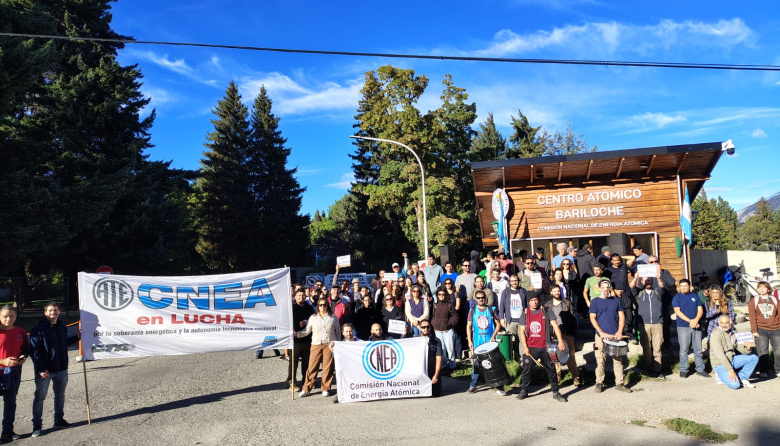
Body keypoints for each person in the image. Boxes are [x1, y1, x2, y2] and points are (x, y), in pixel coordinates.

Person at [29, 302, 76, 438]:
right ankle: (37, 426)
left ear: (59, 312)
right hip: (45, 371)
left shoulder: (62, 326)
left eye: (55, 310)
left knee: (60, 396)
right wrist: (41, 368)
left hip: (61, 369)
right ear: (45, 312)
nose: (53, 313)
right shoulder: (38, 330)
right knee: (39, 398)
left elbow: (63, 343)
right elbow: (34, 351)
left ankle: (59, 420)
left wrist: (77, 338)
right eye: (50, 310)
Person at [517, 295, 568, 402]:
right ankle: (524, 390)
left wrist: (560, 341)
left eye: (536, 300)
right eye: (532, 300)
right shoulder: (525, 313)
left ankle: (555, 392)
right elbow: (521, 331)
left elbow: (555, 326)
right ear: (528, 302)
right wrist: (525, 347)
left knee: (551, 370)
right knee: (527, 370)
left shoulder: (546, 311)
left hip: (546, 346)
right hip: (531, 347)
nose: (534, 302)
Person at [589, 280, 632, 393]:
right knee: (600, 360)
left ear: (610, 288)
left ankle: (619, 383)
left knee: (618, 360)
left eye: (607, 287)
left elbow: (622, 317)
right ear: (599, 289)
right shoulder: (595, 302)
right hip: (600, 336)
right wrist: (601, 332)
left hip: (614, 334)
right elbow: (592, 318)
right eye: (603, 287)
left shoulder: (616, 301)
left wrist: (619, 331)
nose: (605, 289)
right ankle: (599, 383)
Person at [297, 298, 341, 397]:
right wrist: (297, 334)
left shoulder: (333, 317)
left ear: (327, 305)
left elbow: (337, 332)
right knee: (312, 367)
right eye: (320, 305)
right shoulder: (313, 317)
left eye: (324, 304)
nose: (322, 307)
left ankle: (325, 388)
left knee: (328, 367)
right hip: (316, 344)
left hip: (329, 345)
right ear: (318, 306)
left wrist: (337, 345)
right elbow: (307, 331)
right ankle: (306, 388)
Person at [466, 290, 506, 396]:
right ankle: (473, 385)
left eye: (482, 297)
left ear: (485, 298)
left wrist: (494, 335)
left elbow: (498, 324)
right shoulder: (472, 310)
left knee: (494, 363)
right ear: (476, 299)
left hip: (489, 342)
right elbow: (469, 326)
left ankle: (499, 386)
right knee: (476, 364)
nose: (481, 299)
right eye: (478, 298)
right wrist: (469, 340)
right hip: (478, 342)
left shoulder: (491, 309)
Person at [0, 306, 29, 442]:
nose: (8, 319)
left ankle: (7, 432)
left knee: (10, 402)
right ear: (0, 317)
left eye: (11, 316)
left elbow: (24, 350)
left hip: (14, 373)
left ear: (15, 317)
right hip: (1, 372)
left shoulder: (21, 332)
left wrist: (23, 357)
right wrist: (3, 361)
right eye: (5, 316)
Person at [630, 271, 665, 378]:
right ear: (642, 281)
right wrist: (635, 277)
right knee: (646, 347)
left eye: (649, 279)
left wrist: (659, 278)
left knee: (657, 347)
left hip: (657, 323)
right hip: (644, 324)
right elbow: (631, 287)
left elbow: (662, 287)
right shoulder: (639, 293)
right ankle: (648, 368)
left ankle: (657, 370)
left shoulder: (657, 292)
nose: (647, 281)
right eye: (645, 280)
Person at [543, 286, 580, 386]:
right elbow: (545, 321)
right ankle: (557, 376)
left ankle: (575, 377)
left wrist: (573, 334)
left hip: (566, 332)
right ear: (551, 292)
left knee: (570, 355)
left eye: (558, 291)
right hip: (553, 334)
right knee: (555, 356)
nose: (556, 293)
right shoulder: (547, 305)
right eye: (554, 291)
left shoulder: (567, 303)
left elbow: (573, 319)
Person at [710, 315, 758, 389]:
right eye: (721, 323)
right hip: (720, 364)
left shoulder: (733, 334)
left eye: (726, 323)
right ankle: (719, 375)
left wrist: (748, 348)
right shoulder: (715, 334)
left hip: (732, 360)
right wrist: (731, 371)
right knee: (735, 385)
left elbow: (741, 350)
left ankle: (742, 378)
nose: (724, 325)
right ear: (718, 323)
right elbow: (719, 355)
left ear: (730, 323)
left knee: (754, 358)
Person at [673, 279, 708, 379]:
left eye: (685, 286)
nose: (683, 288)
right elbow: (677, 311)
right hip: (683, 326)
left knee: (698, 349)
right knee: (684, 349)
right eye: (681, 286)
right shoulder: (677, 297)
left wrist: (696, 320)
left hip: (696, 325)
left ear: (690, 286)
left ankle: (700, 369)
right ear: (679, 287)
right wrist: (690, 321)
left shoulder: (695, 296)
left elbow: (700, 310)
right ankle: (684, 369)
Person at [748, 281, 780, 378]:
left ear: (768, 289)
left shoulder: (774, 300)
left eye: (764, 287)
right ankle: (764, 370)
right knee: (763, 352)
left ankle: (778, 370)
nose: (761, 289)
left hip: (776, 329)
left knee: (778, 351)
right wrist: (754, 330)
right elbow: (752, 317)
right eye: (759, 287)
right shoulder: (754, 300)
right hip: (761, 330)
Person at [285, 289, 315, 390]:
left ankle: (305, 381)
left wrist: (306, 323)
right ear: (295, 296)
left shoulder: (310, 308)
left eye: (303, 295)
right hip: (295, 340)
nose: (301, 297)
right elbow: (286, 322)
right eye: (299, 295)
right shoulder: (291, 308)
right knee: (293, 362)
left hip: (307, 339)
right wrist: (297, 325)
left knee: (306, 363)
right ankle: (292, 382)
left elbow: (313, 319)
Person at [498, 275, 528, 357]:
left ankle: (523, 358)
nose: (514, 282)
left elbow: (527, 306)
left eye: (516, 280)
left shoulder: (523, 291)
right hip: (510, 320)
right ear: (509, 282)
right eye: (512, 281)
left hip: (522, 320)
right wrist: (501, 318)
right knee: (513, 340)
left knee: (523, 340)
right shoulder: (506, 292)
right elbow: (502, 306)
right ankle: (515, 357)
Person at [432, 289, 458, 373]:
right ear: (437, 295)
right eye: (439, 294)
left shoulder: (450, 305)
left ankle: (452, 366)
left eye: (443, 294)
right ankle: (443, 366)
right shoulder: (435, 305)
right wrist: (434, 323)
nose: (441, 296)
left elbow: (455, 317)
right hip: (438, 331)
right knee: (441, 350)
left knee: (450, 349)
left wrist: (449, 324)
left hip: (448, 331)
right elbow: (433, 317)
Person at [418, 320, 443, 397]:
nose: (426, 329)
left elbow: (439, 359)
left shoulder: (436, 341)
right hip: (420, 372)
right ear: (420, 328)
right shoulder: (415, 340)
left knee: (436, 394)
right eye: (423, 327)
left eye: (428, 327)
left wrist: (436, 375)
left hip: (432, 371)